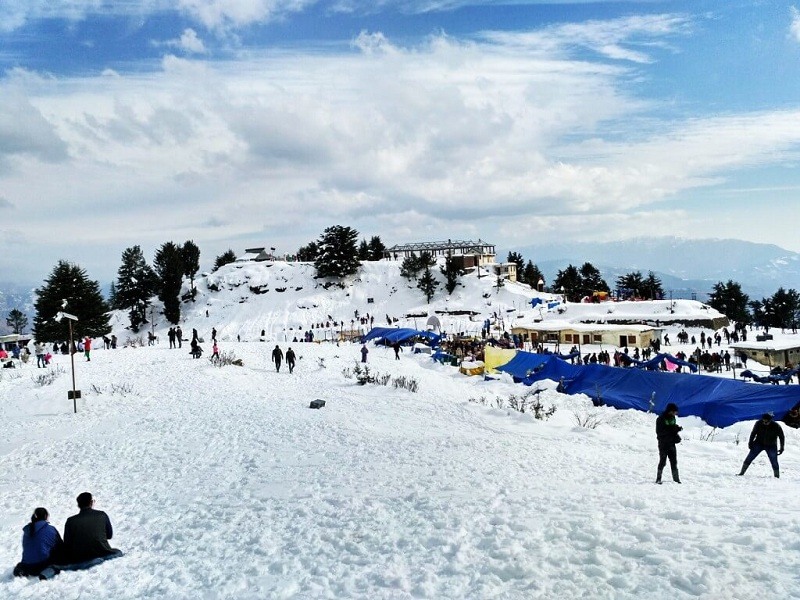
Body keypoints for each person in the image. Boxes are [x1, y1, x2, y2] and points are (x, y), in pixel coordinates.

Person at [61, 492, 122, 567]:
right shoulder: (102, 515)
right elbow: (109, 535)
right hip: (102, 552)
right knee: (117, 552)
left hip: (80, 557)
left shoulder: (71, 520)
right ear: (91, 502)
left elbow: (67, 543)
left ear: (78, 505)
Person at [13, 507, 63, 578]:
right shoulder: (51, 529)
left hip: (27, 565)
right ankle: (47, 573)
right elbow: (61, 546)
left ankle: (21, 570)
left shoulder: (27, 531)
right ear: (46, 516)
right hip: (42, 565)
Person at [738, 413, 785, 478]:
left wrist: (782, 447)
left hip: (771, 445)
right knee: (749, 458)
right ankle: (742, 472)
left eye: (766, 421)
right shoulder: (758, 423)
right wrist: (750, 442)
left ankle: (777, 476)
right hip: (758, 443)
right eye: (763, 421)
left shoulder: (776, 426)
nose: (765, 423)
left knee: (774, 461)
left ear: (770, 420)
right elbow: (753, 433)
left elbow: (781, 437)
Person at [655, 403, 682, 484]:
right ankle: (658, 479)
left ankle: (676, 479)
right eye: (674, 412)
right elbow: (660, 432)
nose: (675, 414)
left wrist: (677, 429)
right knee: (663, 461)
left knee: (674, 462)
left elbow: (672, 427)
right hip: (663, 444)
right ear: (670, 411)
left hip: (671, 443)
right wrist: (672, 429)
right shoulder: (660, 419)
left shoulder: (673, 418)